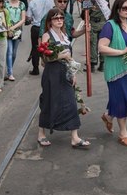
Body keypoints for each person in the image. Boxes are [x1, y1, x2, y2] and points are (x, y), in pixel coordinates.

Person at [36, 8, 90, 149]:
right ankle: (41, 132)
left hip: (65, 73)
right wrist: (62, 56)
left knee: (71, 102)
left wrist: (73, 73)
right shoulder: (47, 36)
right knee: (48, 102)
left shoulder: (64, 35)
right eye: (56, 18)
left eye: (61, 18)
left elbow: (69, 57)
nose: (59, 20)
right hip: (52, 74)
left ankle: (74, 137)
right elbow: (45, 58)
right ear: (50, 21)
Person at [98, 0, 127, 147]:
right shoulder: (109, 26)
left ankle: (108, 115)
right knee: (122, 99)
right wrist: (121, 51)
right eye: (124, 8)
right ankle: (123, 133)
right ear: (117, 9)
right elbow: (101, 48)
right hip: (116, 70)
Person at [26, 0, 54, 75]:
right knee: (49, 46)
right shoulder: (51, 1)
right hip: (48, 27)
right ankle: (49, 65)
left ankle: (35, 68)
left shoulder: (32, 2)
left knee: (35, 48)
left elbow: (29, 16)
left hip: (36, 26)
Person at [5, 0, 26, 81]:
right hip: (7, 30)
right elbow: (2, 15)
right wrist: (7, 27)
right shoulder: (5, 3)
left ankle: (10, 68)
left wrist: (14, 27)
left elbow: (23, 19)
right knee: (9, 51)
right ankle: (10, 73)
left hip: (17, 30)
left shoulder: (22, 4)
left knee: (14, 53)